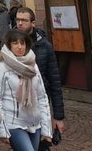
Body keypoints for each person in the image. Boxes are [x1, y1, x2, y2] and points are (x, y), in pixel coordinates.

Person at [0, 30, 52, 151]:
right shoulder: (0, 66)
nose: (19, 47)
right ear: (9, 45)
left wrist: (46, 128)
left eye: (22, 43)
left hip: (34, 122)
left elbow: (42, 97)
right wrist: (2, 129)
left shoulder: (33, 65)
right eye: (15, 43)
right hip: (14, 123)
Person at [15, 7, 65, 135]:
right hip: (16, 103)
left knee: (42, 141)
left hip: (40, 100)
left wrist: (58, 116)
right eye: (18, 20)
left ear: (33, 23)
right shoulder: (9, 45)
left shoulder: (45, 46)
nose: (20, 23)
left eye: (24, 20)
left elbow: (54, 81)